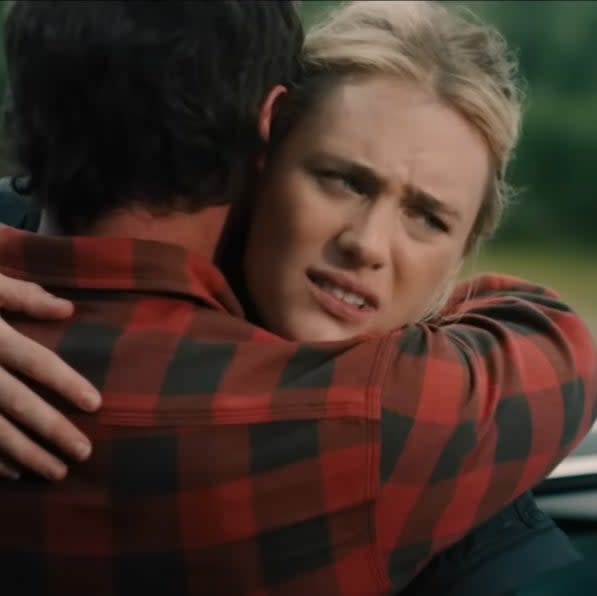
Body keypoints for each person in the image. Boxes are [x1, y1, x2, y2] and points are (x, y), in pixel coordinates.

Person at [0, 1, 594, 595]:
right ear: (262, 152)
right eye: (342, 179)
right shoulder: (385, 428)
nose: (367, 244)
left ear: (464, 250)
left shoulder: (457, 475)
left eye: (428, 218)